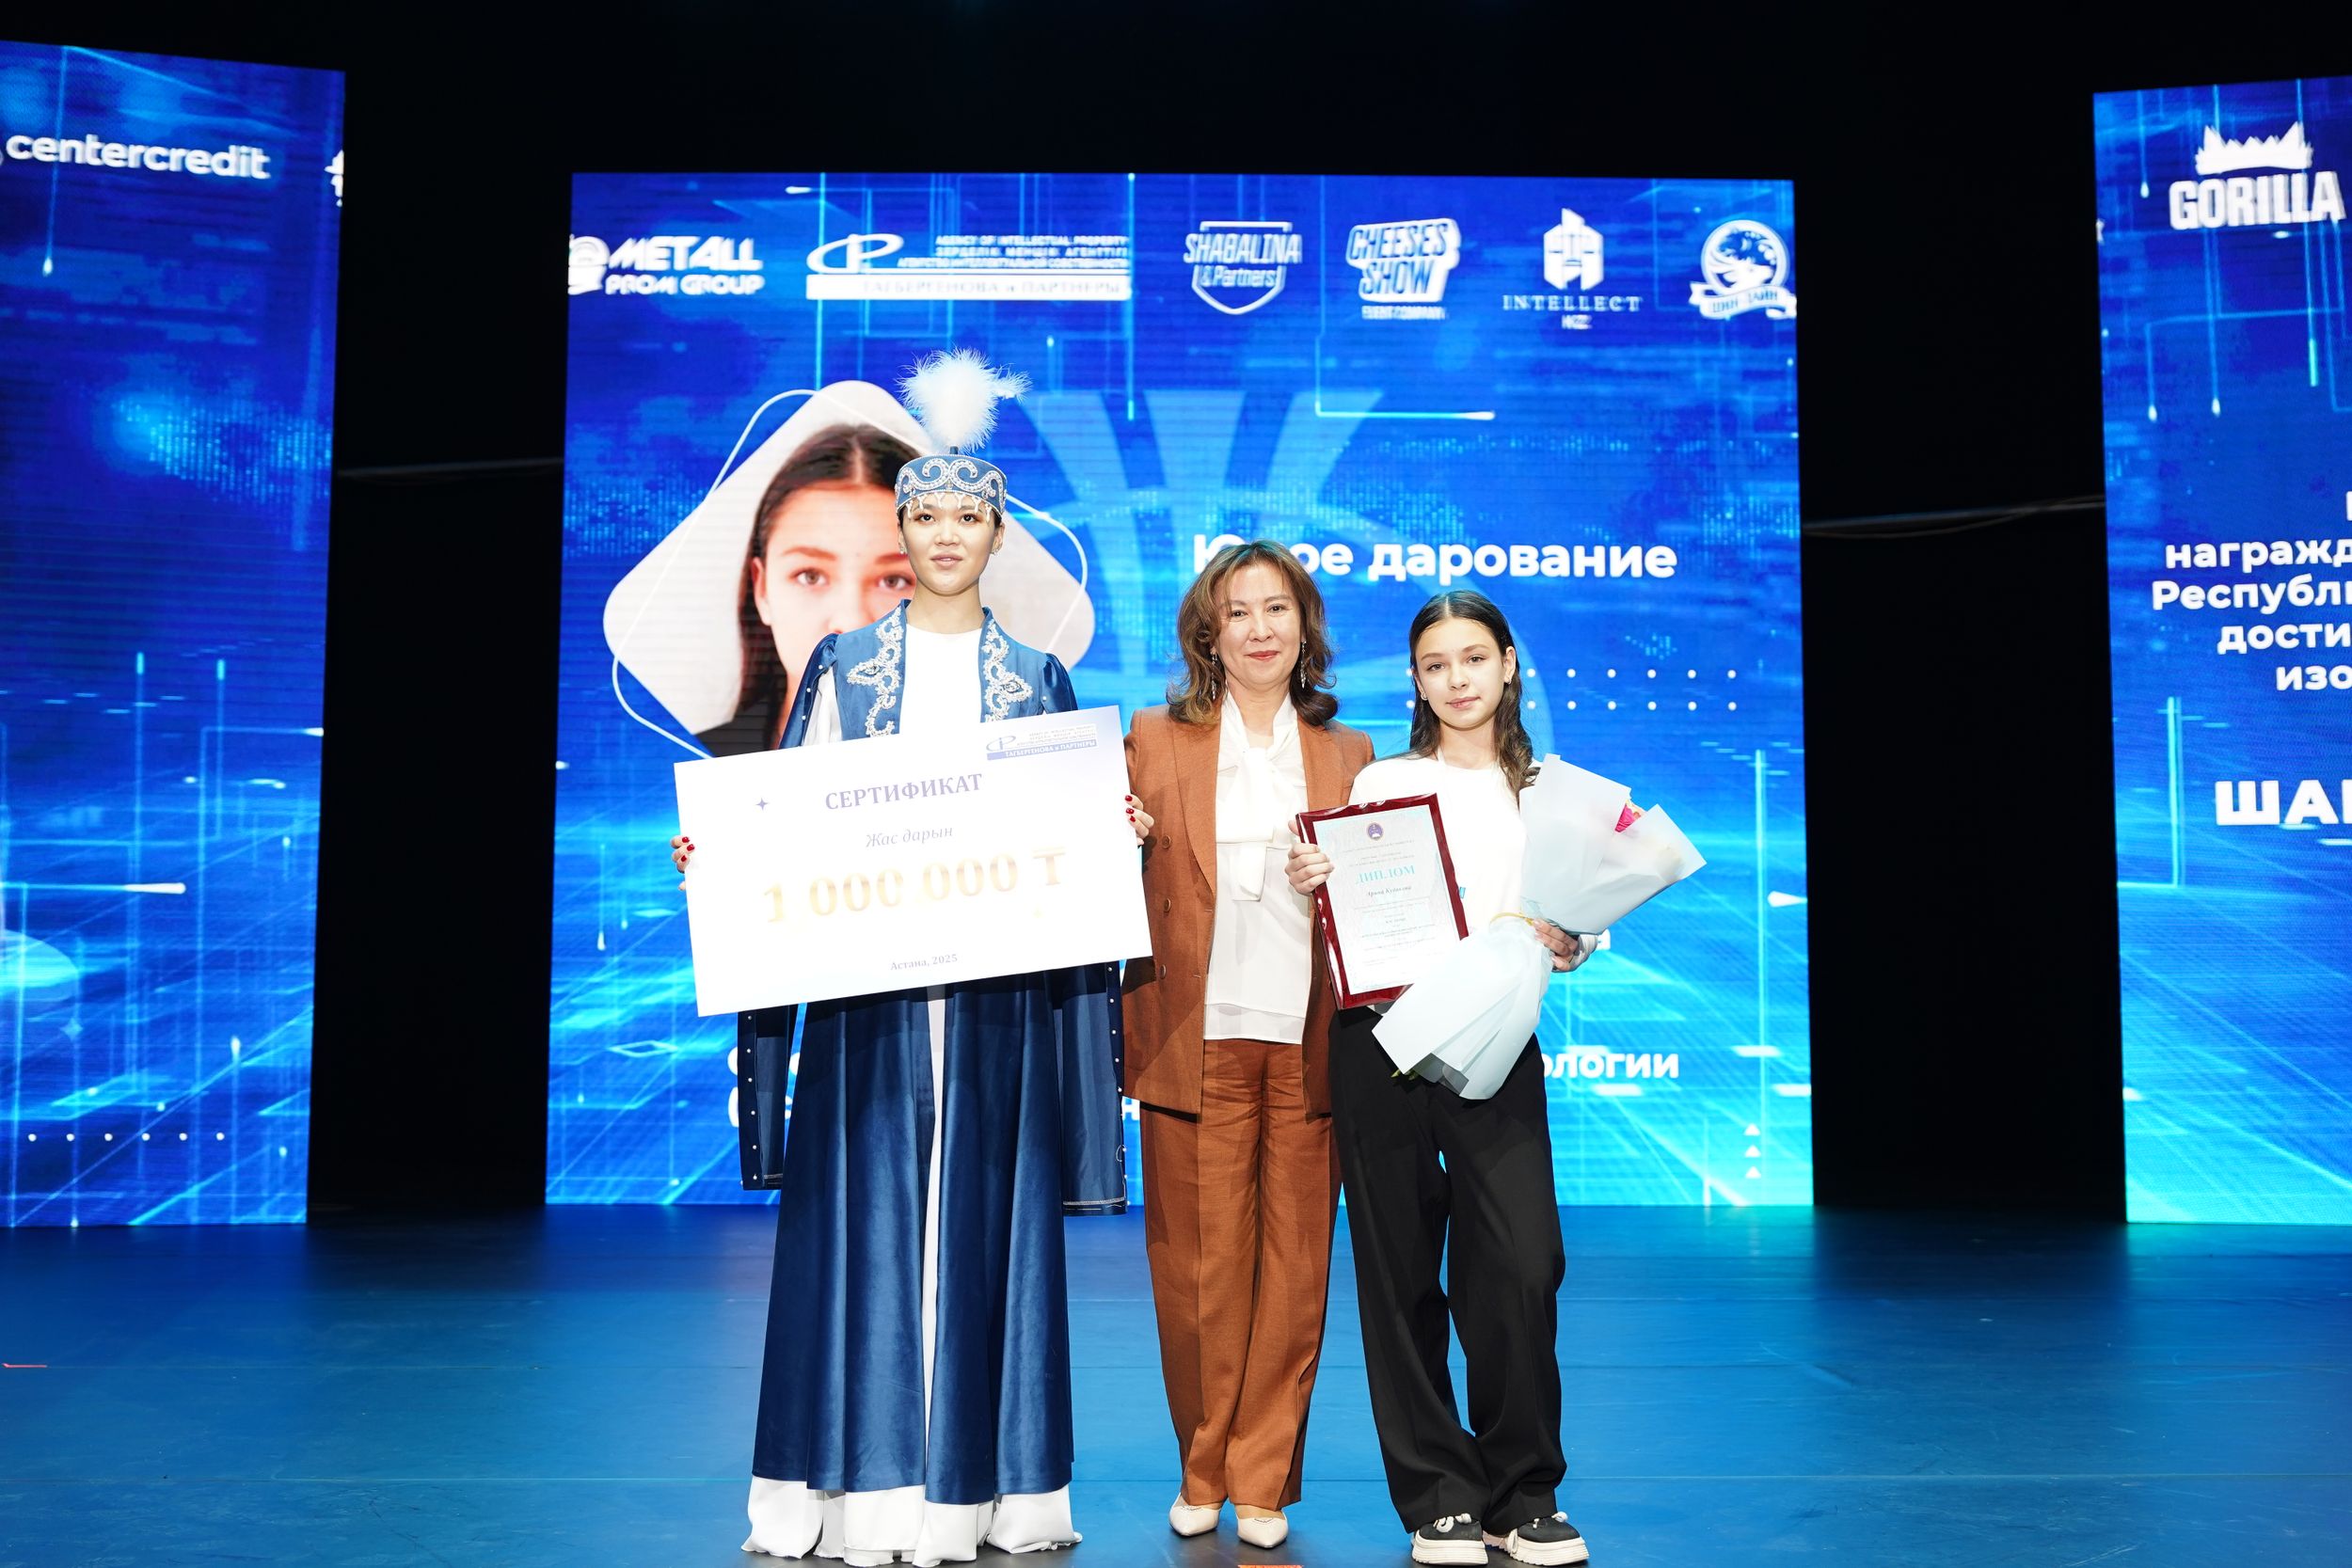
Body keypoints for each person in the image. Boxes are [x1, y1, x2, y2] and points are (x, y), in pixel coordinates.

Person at [671, 351, 1125, 1567]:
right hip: (867, 1005)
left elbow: (1066, 845)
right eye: (925, 516)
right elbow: (789, 820)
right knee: (858, 1233)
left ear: (994, 534)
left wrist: (1109, 830)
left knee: (983, 1234)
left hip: (995, 1009)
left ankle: (986, 1494)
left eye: (967, 516)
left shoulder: (1034, 680)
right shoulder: (844, 670)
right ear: (905, 530)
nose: (945, 534)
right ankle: (857, 1495)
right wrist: (722, 857)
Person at [1286, 589, 1597, 1568]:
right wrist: (1314, 881)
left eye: (1473, 658)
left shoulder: (1551, 791)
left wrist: (1576, 936)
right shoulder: (1384, 782)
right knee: (1401, 1272)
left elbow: (1580, 913)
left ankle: (1525, 1490)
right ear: (1416, 682)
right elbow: (1351, 906)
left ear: (1508, 665)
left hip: (1496, 1045)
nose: (1456, 679)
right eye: (1435, 664)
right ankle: (1439, 1496)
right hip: (1382, 1042)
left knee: (1523, 1264)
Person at [1120, 540, 1374, 1551]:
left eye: (1278, 608)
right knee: (1196, 1272)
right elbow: (1086, 868)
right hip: (1196, 1037)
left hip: (1311, 1040)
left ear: (1304, 627)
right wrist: (1116, 834)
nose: (1260, 628)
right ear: (1208, 633)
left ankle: (1263, 1476)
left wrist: (1341, 882)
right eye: (1239, 611)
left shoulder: (1351, 754)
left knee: (1296, 1270)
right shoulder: (1152, 739)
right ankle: (1203, 1464)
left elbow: (1388, 897)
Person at [698, 423, 918, 755]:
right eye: (810, 576)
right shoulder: (685, 764)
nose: (850, 623)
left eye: (893, 580)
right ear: (762, 590)